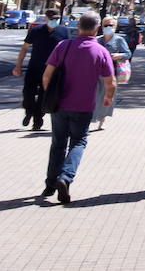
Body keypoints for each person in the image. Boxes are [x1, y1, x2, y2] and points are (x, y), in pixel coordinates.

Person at [41, 12, 116, 204]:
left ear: (78, 27)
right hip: (83, 106)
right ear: (97, 29)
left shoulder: (63, 46)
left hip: (59, 104)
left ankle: (50, 183)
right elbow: (111, 82)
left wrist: (49, 92)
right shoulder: (100, 51)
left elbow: (47, 74)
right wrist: (108, 98)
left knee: (58, 142)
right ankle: (65, 178)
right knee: (78, 141)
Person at [12, 9, 68, 131]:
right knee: (28, 93)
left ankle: (37, 121)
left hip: (51, 70)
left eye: (56, 19)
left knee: (44, 96)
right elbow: (24, 48)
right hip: (34, 67)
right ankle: (29, 111)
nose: (54, 21)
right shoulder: (36, 30)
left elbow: (67, 51)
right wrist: (18, 66)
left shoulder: (63, 31)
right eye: (51, 19)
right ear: (46, 19)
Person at [93, 16, 132, 131]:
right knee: (94, 95)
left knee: (108, 95)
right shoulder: (97, 40)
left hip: (111, 72)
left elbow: (128, 54)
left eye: (111, 25)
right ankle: (92, 117)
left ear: (115, 27)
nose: (108, 27)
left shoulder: (119, 40)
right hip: (96, 72)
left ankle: (102, 120)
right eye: (106, 25)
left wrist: (119, 56)